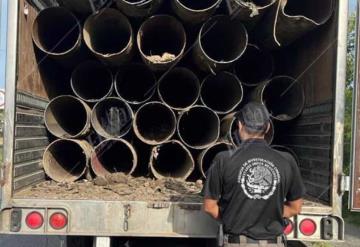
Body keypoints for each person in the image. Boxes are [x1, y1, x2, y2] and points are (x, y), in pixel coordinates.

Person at [203, 102, 306, 247]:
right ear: (268, 127)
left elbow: (209, 206)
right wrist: (269, 214)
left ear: (239, 125)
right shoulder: (287, 160)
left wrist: (233, 217)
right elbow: (295, 207)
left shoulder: (223, 159)